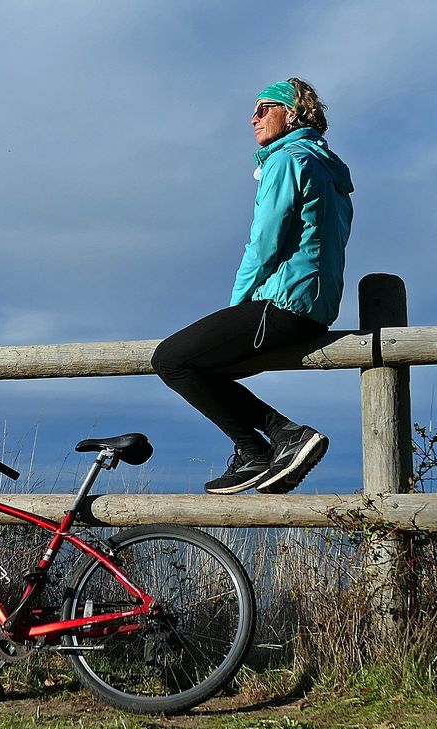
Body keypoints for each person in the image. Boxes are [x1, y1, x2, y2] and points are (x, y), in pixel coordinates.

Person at [151, 78, 353, 494]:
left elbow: (263, 245)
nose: (253, 118)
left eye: (264, 109)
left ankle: (274, 442)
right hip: (316, 307)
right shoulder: (330, 171)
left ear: (291, 113)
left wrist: (236, 309)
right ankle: (259, 450)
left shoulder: (287, 160)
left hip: (281, 303)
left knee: (170, 360)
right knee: (205, 368)